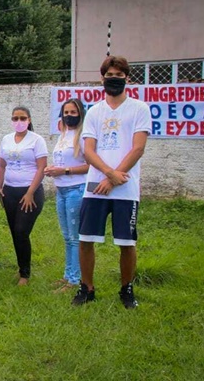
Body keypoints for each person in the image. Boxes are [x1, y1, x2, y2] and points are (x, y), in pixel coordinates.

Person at [72, 56, 150, 309]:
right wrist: (108, 174)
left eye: (119, 75)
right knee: (86, 239)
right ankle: (87, 288)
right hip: (96, 186)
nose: (113, 79)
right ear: (102, 78)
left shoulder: (140, 108)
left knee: (126, 243)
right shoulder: (95, 111)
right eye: (109, 75)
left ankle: (126, 289)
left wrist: (115, 178)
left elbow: (138, 148)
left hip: (126, 187)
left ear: (127, 78)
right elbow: (89, 151)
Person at [0, 106, 48, 286]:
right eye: (15, 118)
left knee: (21, 231)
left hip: (30, 192)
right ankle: (21, 268)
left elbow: (42, 167)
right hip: (9, 191)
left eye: (23, 118)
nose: (19, 121)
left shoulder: (37, 140)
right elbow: (2, 165)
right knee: (14, 232)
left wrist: (30, 193)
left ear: (29, 120)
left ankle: (25, 274)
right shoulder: (6, 139)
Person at [44, 99, 89, 293]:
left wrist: (65, 171)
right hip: (61, 190)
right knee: (67, 236)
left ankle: (75, 279)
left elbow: (90, 164)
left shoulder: (83, 137)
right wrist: (52, 169)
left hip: (76, 189)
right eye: (66, 112)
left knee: (75, 237)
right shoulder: (63, 135)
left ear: (80, 114)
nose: (69, 115)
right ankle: (68, 275)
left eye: (73, 111)